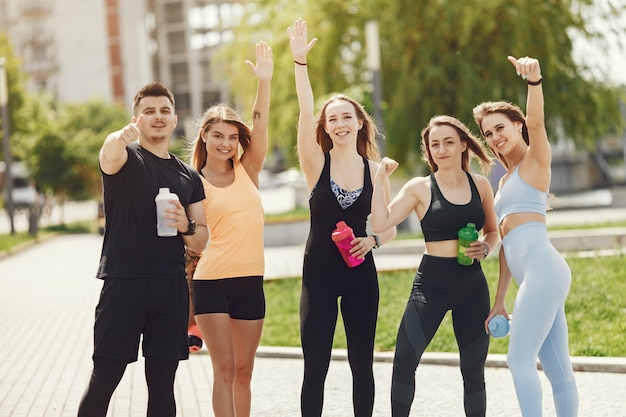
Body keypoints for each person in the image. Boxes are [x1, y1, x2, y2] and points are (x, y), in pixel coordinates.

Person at [78, 82, 209, 417]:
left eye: (164, 110)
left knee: (163, 384)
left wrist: (186, 226)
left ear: (175, 118)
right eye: (149, 111)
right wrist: (119, 137)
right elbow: (108, 153)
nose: (158, 117)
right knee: (105, 377)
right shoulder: (125, 158)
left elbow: (202, 239)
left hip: (170, 287)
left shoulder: (188, 177)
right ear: (136, 118)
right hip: (124, 283)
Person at [288, 18, 397, 417]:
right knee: (315, 366)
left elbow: (387, 226)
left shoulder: (374, 169)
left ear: (359, 122)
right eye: (332, 118)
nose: (339, 123)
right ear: (325, 127)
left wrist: (374, 241)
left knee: (361, 365)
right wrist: (300, 63)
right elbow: (304, 111)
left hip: (360, 276)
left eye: (347, 116)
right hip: (319, 274)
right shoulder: (316, 164)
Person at [371, 115, 499, 416]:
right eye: (435, 144)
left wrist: (487, 247)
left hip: (472, 284)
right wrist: (380, 179)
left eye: (449, 142)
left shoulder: (480, 185)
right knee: (404, 359)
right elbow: (380, 222)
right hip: (431, 284)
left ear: (463, 145)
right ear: (429, 150)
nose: (441, 150)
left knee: (473, 369)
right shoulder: (420, 188)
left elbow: (492, 231)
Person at [473, 56, 579, 417]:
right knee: (557, 368)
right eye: (488, 133)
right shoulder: (502, 182)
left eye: (500, 127)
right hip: (532, 276)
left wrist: (534, 82)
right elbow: (506, 246)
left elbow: (538, 120)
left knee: (518, 360)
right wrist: (500, 299)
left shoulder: (536, 160)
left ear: (518, 126)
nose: (495, 137)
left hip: (544, 271)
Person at [189, 40, 273, 417]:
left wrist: (264, 82)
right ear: (205, 136)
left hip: (250, 282)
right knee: (223, 371)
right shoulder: (190, 182)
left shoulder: (248, 170)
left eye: (232, 137)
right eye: (218, 135)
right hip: (211, 283)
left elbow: (260, 121)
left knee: (244, 372)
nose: (226, 143)